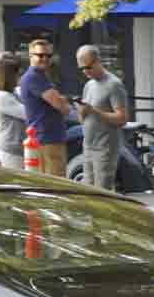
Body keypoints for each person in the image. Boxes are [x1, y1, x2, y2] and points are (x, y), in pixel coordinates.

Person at [75, 44, 130, 192]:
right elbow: (84, 119)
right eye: (81, 68)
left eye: (88, 67)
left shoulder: (114, 85)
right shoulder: (89, 85)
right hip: (88, 145)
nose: (85, 72)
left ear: (98, 61)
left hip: (105, 147)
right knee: (87, 191)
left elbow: (122, 118)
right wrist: (82, 111)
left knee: (102, 192)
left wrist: (93, 110)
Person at [18, 39, 73, 177]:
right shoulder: (34, 77)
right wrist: (63, 103)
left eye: (48, 56)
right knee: (56, 185)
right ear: (31, 56)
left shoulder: (41, 76)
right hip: (46, 140)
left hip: (48, 138)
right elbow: (61, 105)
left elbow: (59, 102)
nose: (45, 59)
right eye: (40, 55)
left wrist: (61, 101)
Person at [0, 52, 27, 169]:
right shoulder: (1, 97)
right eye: (17, 74)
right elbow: (28, 113)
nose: (19, 77)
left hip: (18, 150)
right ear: (8, 76)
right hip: (10, 153)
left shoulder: (12, 93)